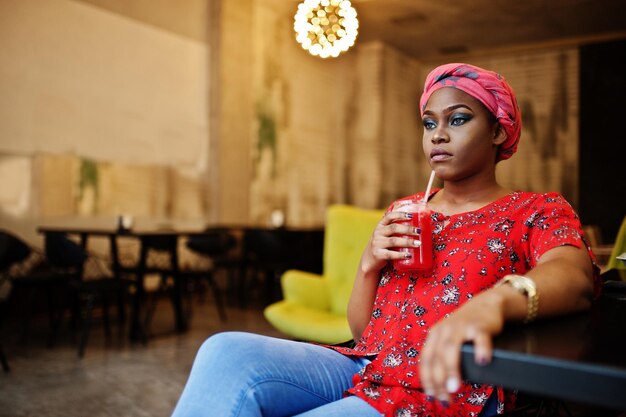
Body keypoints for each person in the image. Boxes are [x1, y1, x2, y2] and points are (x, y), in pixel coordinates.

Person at [170, 63, 600, 417]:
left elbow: (574, 275)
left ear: (498, 131)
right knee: (225, 352)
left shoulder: (533, 210)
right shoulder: (407, 208)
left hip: (446, 383)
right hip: (366, 363)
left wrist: (493, 303)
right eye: (429, 123)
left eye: (458, 119)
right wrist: (369, 261)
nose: (438, 135)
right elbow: (362, 331)